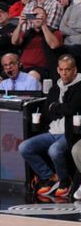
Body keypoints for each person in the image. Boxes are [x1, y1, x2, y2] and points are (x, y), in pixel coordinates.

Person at [19, 54, 81, 196]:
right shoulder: (55, 88)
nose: (64, 73)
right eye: (61, 69)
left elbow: (72, 109)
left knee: (54, 150)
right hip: (52, 131)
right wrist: (60, 108)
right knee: (24, 147)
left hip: (70, 133)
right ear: (58, 70)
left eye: (68, 69)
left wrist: (57, 107)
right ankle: (50, 178)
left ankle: (65, 181)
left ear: (74, 70)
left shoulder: (80, 87)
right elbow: (48, 111)